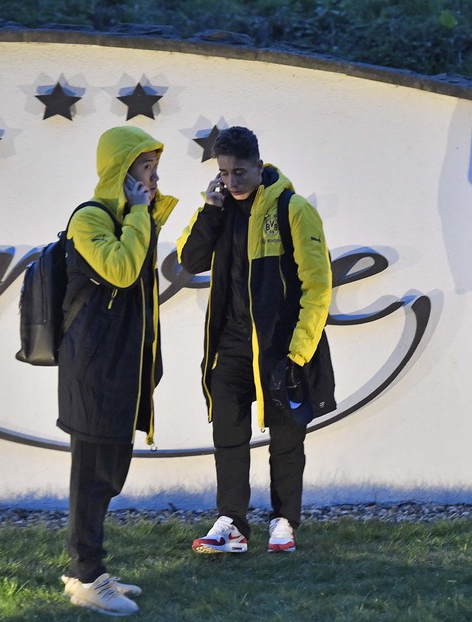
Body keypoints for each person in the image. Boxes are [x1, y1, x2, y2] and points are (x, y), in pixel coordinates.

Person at [177, 126, 334, 555]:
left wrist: (298, 351)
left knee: (286, 438)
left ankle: (284, 522)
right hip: (229, 347)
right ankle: (232, 523)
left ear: (260, 167)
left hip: (280, 349)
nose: (231, 182)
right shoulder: (220, 206)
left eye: (239, 172)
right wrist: (209, 208)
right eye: (224, 173)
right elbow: (188, 260)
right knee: (228, 435)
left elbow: (317, 286)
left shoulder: (293, 209)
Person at [57, 126, 178, 616]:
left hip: (120, 365)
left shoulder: (130, 217)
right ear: (122, 171)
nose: (154, 176)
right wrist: (139, 213)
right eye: (146, 167)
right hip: (93, 368)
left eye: (154, 167)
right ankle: (86, 577)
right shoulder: (89, 220)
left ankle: (89, 570)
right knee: (92, 474)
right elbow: (123, 271)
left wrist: (144, 210)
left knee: (107, 473)